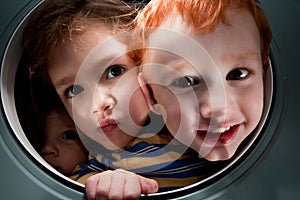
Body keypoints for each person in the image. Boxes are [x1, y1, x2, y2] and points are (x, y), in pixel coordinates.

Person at [22, 0, 212, 199]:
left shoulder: (191, 120)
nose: (98, 105)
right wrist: (110, 181)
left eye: (113, 72)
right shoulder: (100, 165)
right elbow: (82, 183)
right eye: (73, 91)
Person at [135, 0, 272, 161]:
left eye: (238, 74)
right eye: (186, 81)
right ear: (150, 95)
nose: (218, 107)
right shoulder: (133, 162)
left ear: (264, 74)